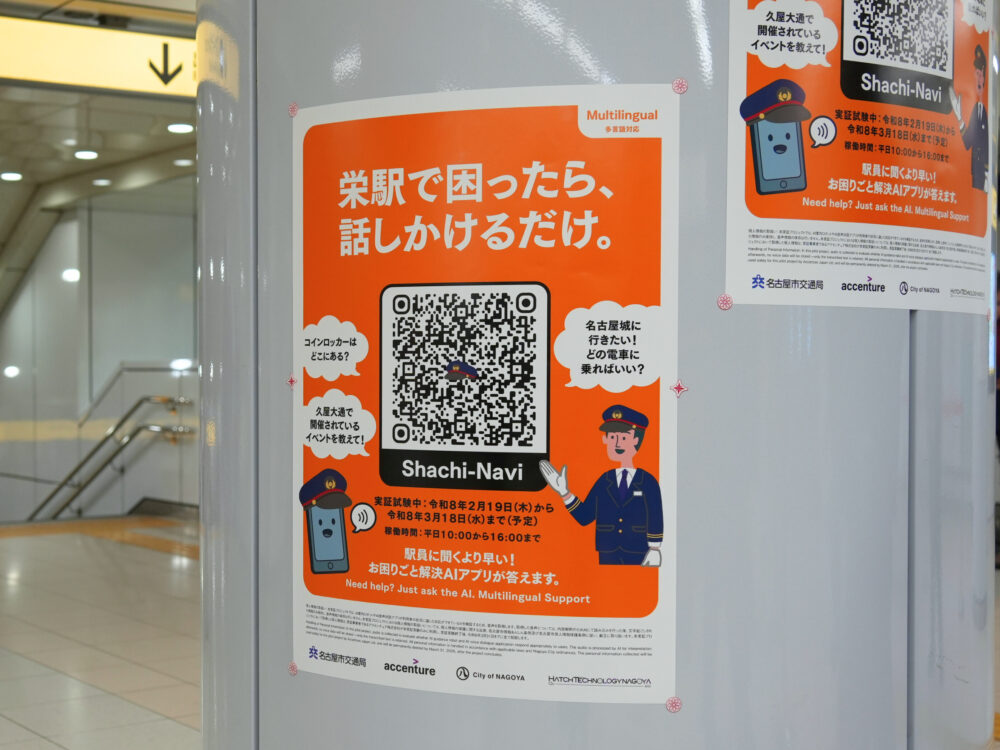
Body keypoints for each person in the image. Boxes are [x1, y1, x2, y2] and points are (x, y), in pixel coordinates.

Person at [539, 405, 663, 566]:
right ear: (605, 440)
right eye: (612, 437)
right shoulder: (604, 480)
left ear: (636, 440)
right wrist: (564, 492)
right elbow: (585, 516)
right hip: (608, 552)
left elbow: (655, 515)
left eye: (623, 438)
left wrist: (654, 548)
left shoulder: (647, 481)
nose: (617, 443)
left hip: (638, 551)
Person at [951, 45, 989, 191]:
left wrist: (988, 173)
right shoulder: (975, 110)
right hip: (976, 172)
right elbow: (968, 142)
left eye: (981, 74)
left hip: (984, 173)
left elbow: (986, 144)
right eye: (976, 74)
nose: (979, 79)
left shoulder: (985, 111)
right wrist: (959, 118)